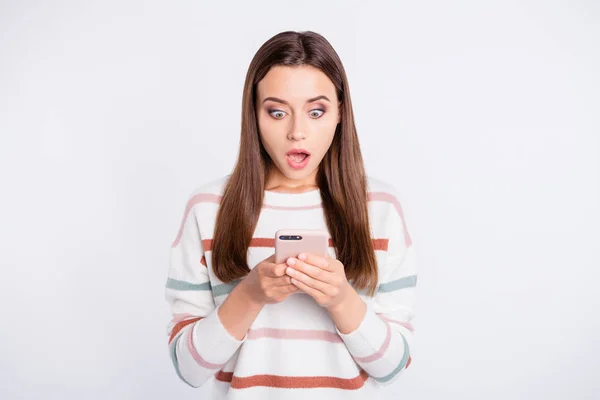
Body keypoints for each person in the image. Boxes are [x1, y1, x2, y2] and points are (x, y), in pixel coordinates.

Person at [164, 30, 418, 399]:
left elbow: (393, 367)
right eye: (277, 112)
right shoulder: (209, 208)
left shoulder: (379, 208)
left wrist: (340, 299)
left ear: (340, 113)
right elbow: (188, 369)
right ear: (254, 113)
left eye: (316, 111)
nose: (297, 132)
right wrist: (249, 294)